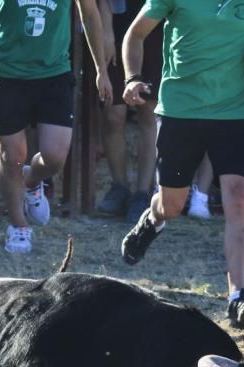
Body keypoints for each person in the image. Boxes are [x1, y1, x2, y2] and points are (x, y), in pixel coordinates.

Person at [120, 0, 244, 328]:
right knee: (172, 204)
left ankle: (238, 295)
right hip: (180, 110)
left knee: (239, 198)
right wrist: (132, 78)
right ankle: (153, 220)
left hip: (236, 113)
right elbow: (135, 34)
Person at [0, 0, 112, 254]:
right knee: (11, 157)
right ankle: (18, 226)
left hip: (54, 73)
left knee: (55, 158)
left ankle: (31, 181)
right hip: (8, 73)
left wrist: (101, 70)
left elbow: (89, 13)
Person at [95, 0, 161, 225]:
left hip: (155, 24)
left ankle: (143, 192)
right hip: (118, 25)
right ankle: (119, 186)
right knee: (113, 114)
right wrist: (105, 30)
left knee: (148, 112)